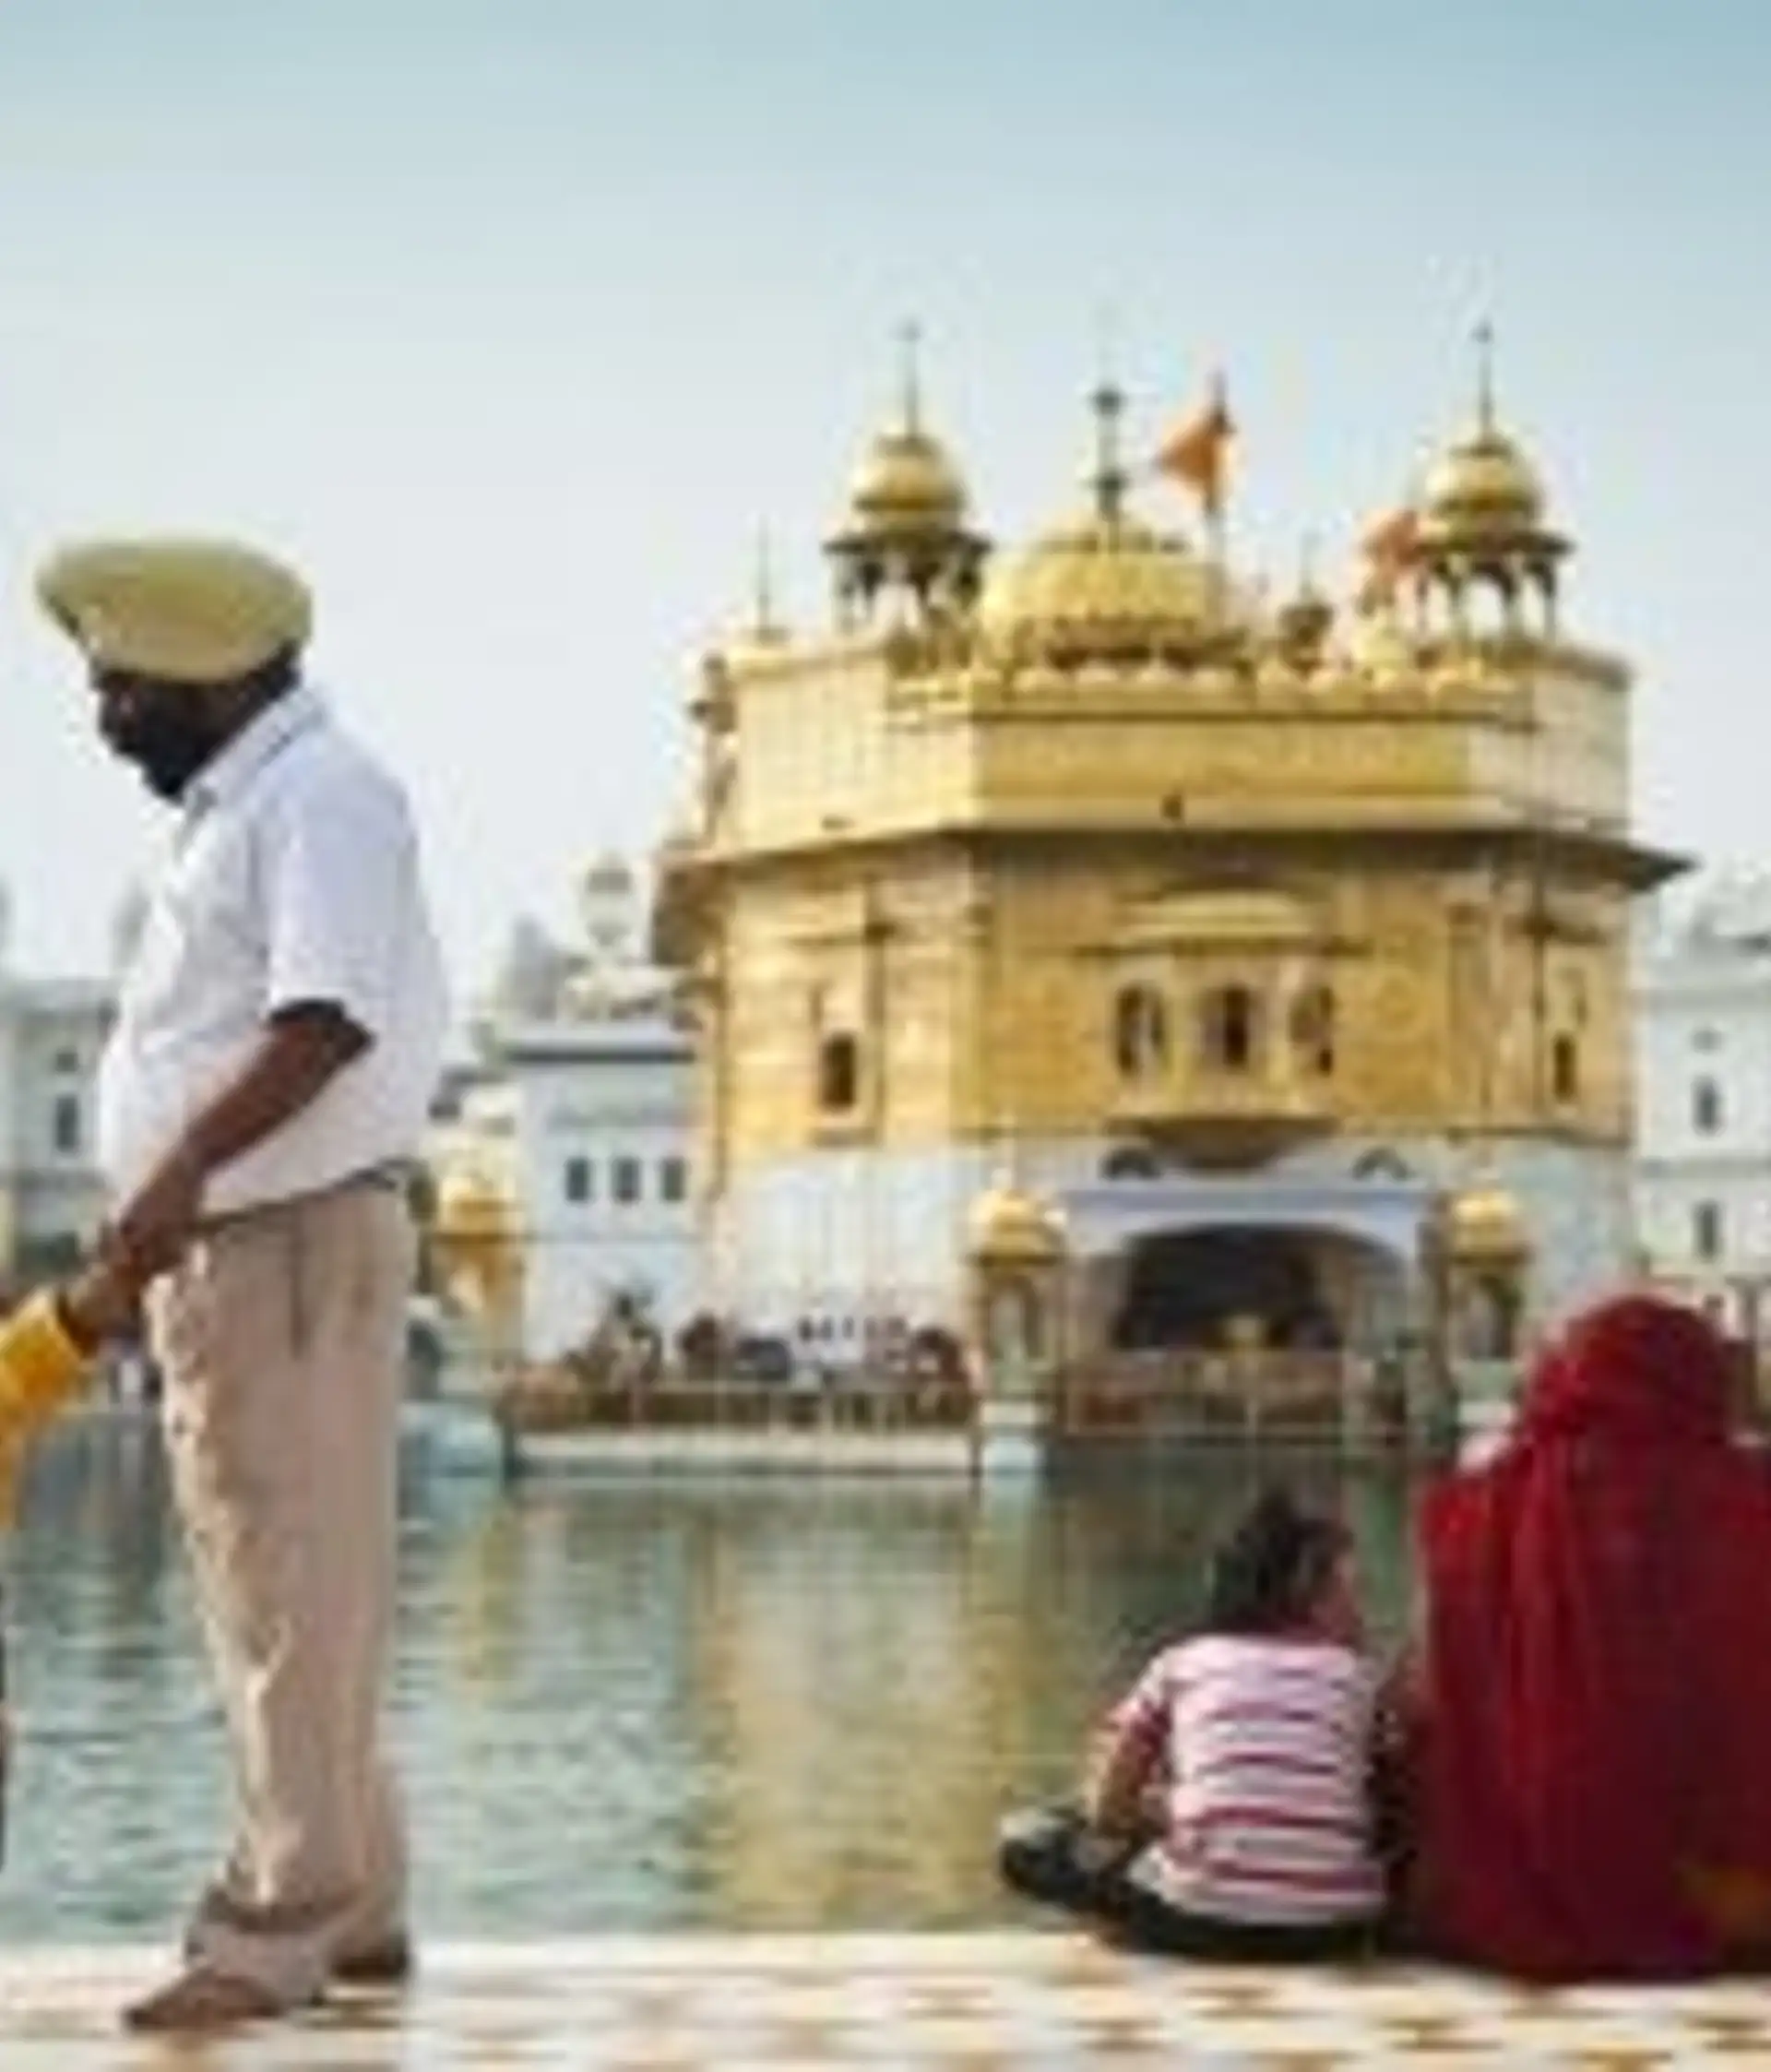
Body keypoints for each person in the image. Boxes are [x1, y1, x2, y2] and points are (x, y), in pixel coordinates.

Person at [37, 538, 449, 2032]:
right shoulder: (253, 804)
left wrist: (177, 1175)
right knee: (303, 1589)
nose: (106, 715)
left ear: (207, 670)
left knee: (283, 1588)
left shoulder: (319, 797)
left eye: (122, 684)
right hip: (250, 1240)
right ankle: (367, 1910)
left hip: (275, 1236)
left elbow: (320, 1020)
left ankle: (272, 1931)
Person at [1397, 1292, 1771, 1981]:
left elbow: (1430, 1695)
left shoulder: (1478, 1504)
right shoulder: (1747, 1499)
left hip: (1510, 1875)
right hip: (1727, 1891)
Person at [999, 1487, 1391, 1960]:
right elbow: (1367, 1796)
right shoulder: (1359, 1680)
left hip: (1200, 1920)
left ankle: (1125, 1923)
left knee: (1026, 1839)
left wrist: (1167, 1812)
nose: (1362, 1613)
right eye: (1351, 1594)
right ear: (1307, 1598)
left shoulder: (1182, 1663)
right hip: (1333, 1930)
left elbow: (1106, 1806)